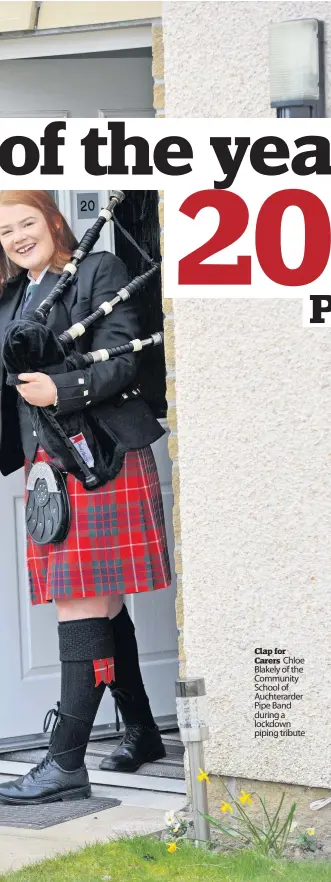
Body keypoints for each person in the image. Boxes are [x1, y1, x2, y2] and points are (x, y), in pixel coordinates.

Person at [0, 190, 172, 805]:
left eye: (27, 222)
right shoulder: (14, 296)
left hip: (100, 456)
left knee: (79, 605)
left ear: (52, 221)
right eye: (5, 230)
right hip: (51, 465)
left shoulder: (98, 270)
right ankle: (144, 731)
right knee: (97, 602)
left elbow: (124, 360)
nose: (17, 236)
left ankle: (65, 761)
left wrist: (61, 389)